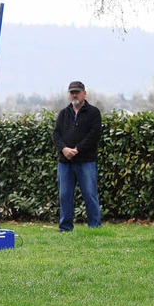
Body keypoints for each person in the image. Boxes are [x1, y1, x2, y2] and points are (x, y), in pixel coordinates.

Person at [52, 80, 103, 232]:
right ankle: (65, 227)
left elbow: (94, 135)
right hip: (65, 162)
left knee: (90, 194)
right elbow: (56, 134)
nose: (75, 94)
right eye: (72, 92)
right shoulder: (63, 113)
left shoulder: (94, 113)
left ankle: (95, 226)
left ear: (84, 93)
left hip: (86, 161)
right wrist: (64, 149)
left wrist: (77, 149)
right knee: (65, 196)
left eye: (77, 92)